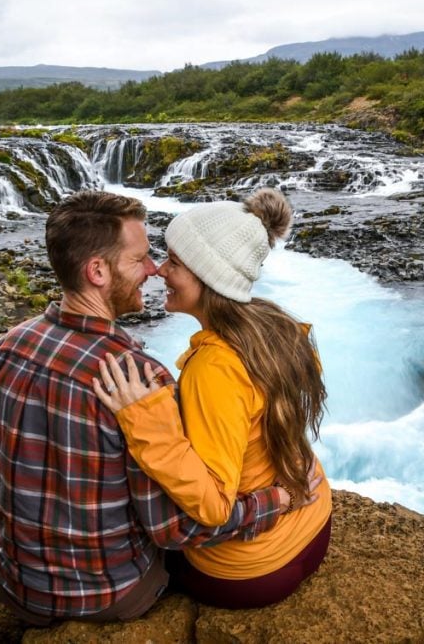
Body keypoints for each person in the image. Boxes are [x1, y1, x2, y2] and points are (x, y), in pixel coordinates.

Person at [0, 191, 313, 625]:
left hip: (18, 590)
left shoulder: (10, 344)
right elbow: (173, 529)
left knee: (4, 481)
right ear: (97, 271)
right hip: (111, 596)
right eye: (140, 259)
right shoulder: (136, 382)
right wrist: (271, 501)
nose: (153, 270)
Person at [95, 187, 332, 610]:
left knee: (141, 545)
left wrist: (146, 421)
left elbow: (213, 505)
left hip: (252, 570)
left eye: (175, 263)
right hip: (314, 530)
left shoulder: (215, 368)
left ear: (208, 278)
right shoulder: (271, 324)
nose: (159, 271)